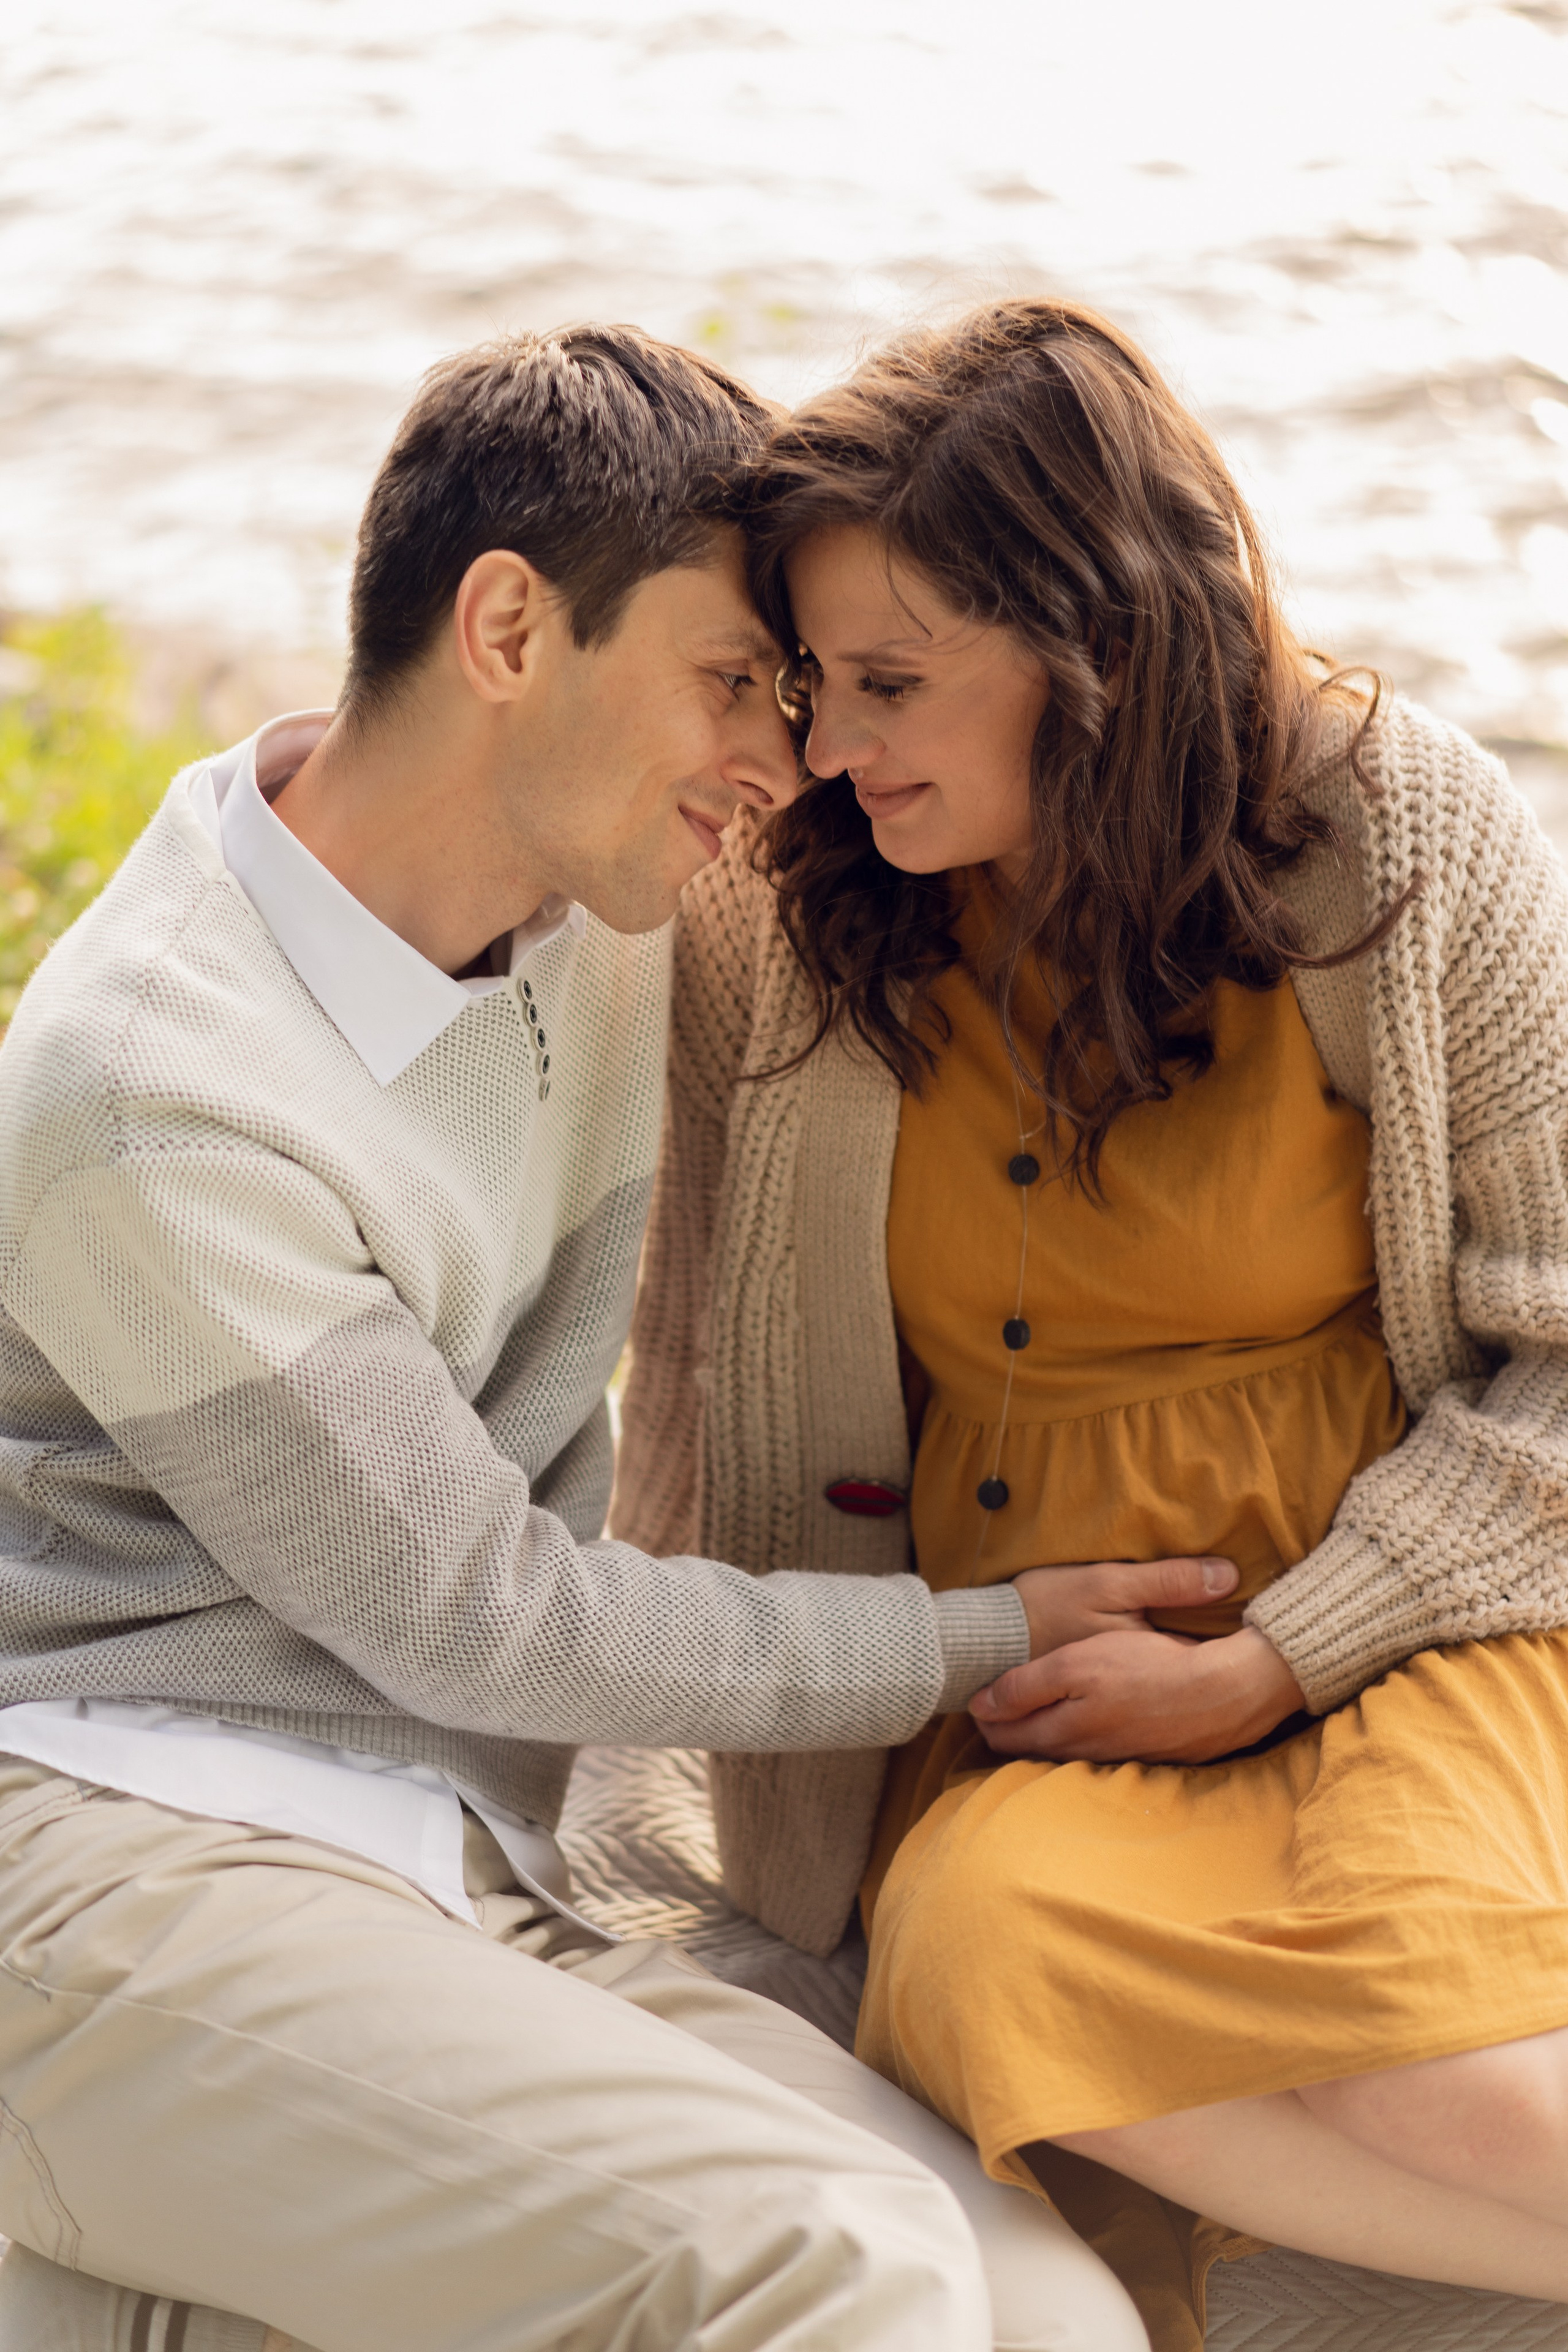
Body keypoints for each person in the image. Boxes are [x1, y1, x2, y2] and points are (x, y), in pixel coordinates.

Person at [0, 326, 1148, 2352]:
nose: (787, 762)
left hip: (454, 1862)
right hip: (118, 1848)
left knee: (1051, 2311)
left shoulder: (602, 926)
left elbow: (1019, 802)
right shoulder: (152, 1089)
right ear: (512, 630)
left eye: (796, 701)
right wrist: (997, 1638)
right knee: (836, 2273)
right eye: (735, 683)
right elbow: (490, 1623)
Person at [614, 297, 1568, 2352]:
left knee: (1423, 2053)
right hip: (1023, 1691)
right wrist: (620, 1725)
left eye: (892, 684)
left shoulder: (1397, 833)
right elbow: (690, 1362)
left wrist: (1280, 1660)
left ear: (1099, 644)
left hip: (1415, 1617)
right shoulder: (786, 923)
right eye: (811, 681)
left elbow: (1565, 1355)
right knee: (971, 1965)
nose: (831, 748)